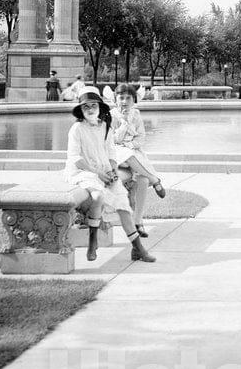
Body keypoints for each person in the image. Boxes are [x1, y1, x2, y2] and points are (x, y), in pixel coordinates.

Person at [63, 87, 155, 263]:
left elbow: (112, 152)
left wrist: (112, 170)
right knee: (97, 196)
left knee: (123, 205)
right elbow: (75, 158)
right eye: (86, 107)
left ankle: (138, 249)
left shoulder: (104, 126)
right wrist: (99, 173)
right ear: (81, 111)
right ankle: (93, 239)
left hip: (105, 170)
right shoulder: (77, 129)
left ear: (99, 107)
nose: (90, 109)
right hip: (84, 172)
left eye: (93, 105)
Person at [109, 84, 166, 239]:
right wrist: (124, 125)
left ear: (134, 100)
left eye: (128, 98)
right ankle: (156, 180)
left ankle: (138, 221)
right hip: (116, 152)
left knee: (142, 179)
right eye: (121, 98)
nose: (125, 101)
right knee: (128, 155)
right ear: (116, 99)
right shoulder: (112, 115)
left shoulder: (136, 114)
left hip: (131, 150)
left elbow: (141, 137)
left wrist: (130, 144)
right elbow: (111, 140)